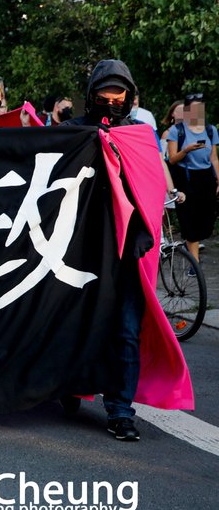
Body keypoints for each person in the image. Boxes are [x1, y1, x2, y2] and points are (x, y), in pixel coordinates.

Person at [62, 59, 157, 441]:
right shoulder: (71, 132)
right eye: (105, 95)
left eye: (119, 96)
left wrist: (144, 231)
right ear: (92, 96)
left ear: (129, 98)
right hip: (79, 248)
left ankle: (120, 411)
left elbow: (149, 187)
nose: (112, 102)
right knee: (73, 322)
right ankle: (68, 383)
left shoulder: (140, 136)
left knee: (126, 331)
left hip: (127, 251)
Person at [166, 92, 219, 262]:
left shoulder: (210, 130)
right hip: (186, 178)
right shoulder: (177, 130)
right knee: (190, 221)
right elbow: (172, 159)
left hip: (206, 178)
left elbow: (214, 158)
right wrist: (186, 150)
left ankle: (191, 250)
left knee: (206, 220)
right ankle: (194, 263)